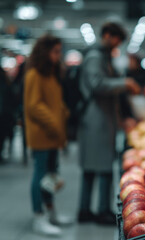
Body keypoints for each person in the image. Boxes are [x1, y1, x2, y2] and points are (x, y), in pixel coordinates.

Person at [77, 22, 140, 225]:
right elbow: (96, 84)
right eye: (116, 40)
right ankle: (102, 210)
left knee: (92, 167)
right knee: (103, 165)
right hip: (97, 119)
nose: (116, 45)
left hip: (101, 117)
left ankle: (85, 209)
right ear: (107, 35)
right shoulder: (96, 57)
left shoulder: (101, 56)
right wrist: (124, 83)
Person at [24, 35, 71, 236]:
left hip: (53, 134)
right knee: (40, 175)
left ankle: (51, 212)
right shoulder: (34, 75)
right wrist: (54, 122)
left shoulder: (51, 74)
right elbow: (33, 106)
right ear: (44, 52)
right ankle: (38, 216)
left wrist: (63, 114)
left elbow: (54, 102)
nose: (58, 56)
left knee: (51, 174)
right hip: (42, 134)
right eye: (55, 51)